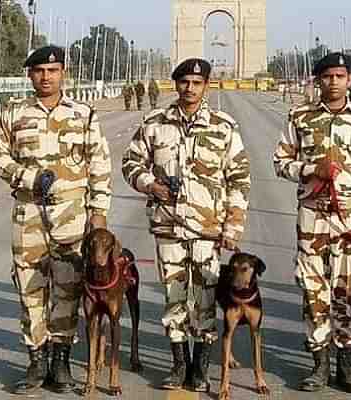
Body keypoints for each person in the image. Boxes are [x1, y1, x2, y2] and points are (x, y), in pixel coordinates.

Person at [0, 45, 112, 395]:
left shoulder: (84, 114)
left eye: (52, 71)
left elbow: (99, 165)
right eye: (39, 71)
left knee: (68, 290)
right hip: (29, 217)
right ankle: (36, 360)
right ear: (30, 75)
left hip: (72, 219)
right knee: (30, 290)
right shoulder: (15, 113)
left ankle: (61, 361)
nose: (46, 77)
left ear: (63, 74)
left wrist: (99, 213)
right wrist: (25, 177)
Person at [122, 58, 250, 393]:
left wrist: (233, 226)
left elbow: (239, 179)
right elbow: (130, 162)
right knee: (174, 297)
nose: (189, 88)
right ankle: (179, 365)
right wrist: (150, 184)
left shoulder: (224, 126)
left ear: (206, 85)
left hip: (208, 229)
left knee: (205, 297)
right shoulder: (154, 123)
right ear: (175, 84)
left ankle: (201, 366)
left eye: (196, 82)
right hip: (168, 227)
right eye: (184, 82)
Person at [273, 53, 351, 393]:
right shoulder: (299, 116)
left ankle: (346, 367)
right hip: (312, 221)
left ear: (349, 80)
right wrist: (310, 170)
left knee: (349, 295)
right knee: (313, 294)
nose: (333, 81)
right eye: (327, 76)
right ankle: (319, 366)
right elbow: (280, 162)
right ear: (317, 81)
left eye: (340, 75)